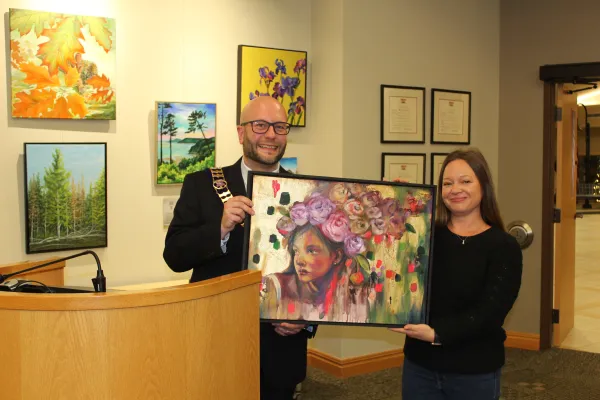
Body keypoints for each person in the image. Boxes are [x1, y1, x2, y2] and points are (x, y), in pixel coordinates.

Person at [163, 96, 314, 400]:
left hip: (280, 352)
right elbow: (174, 255)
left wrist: (305, 318)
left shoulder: (307, 194)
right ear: (241, 132)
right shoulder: (202, 185)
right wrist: (219, 228)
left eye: (280, 126)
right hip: (216, 343)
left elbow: (320, 274)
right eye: (260, 125)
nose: (271, 134)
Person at [390, 147, 523, 400]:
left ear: (483, 185)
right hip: (420, 365)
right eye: (447, 183)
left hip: (474, 370)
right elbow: (394, 272)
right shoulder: (424, 237)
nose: (455, 189)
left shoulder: (504, 246)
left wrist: (438, 334)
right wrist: (395, 204)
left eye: (465, 181)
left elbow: (490, 312)